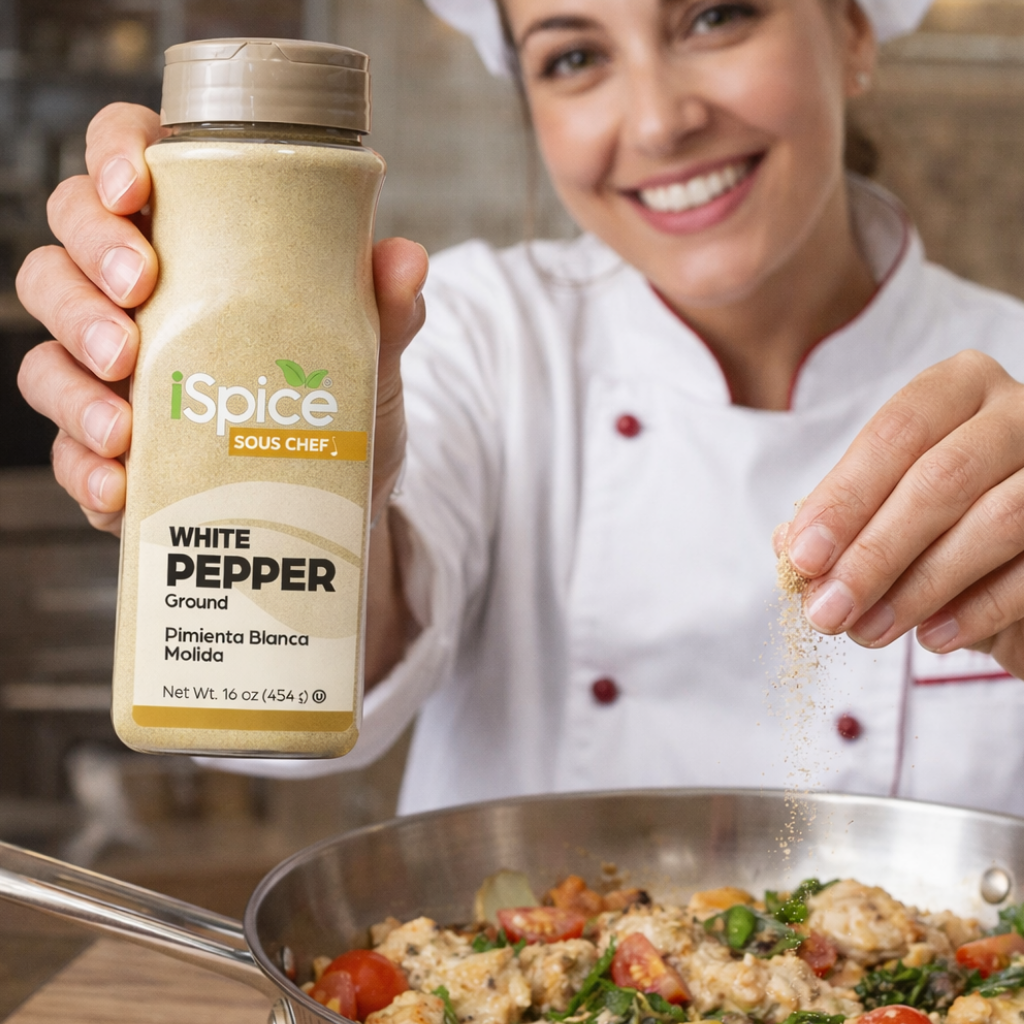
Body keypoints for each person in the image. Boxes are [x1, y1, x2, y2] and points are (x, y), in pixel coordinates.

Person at [16, 0, 1024, 819]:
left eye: (717, 16)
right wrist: (262, 460)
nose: (658, 120)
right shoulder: (472, 327)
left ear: (854, 32)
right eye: (575, 56)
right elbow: (312, 676)